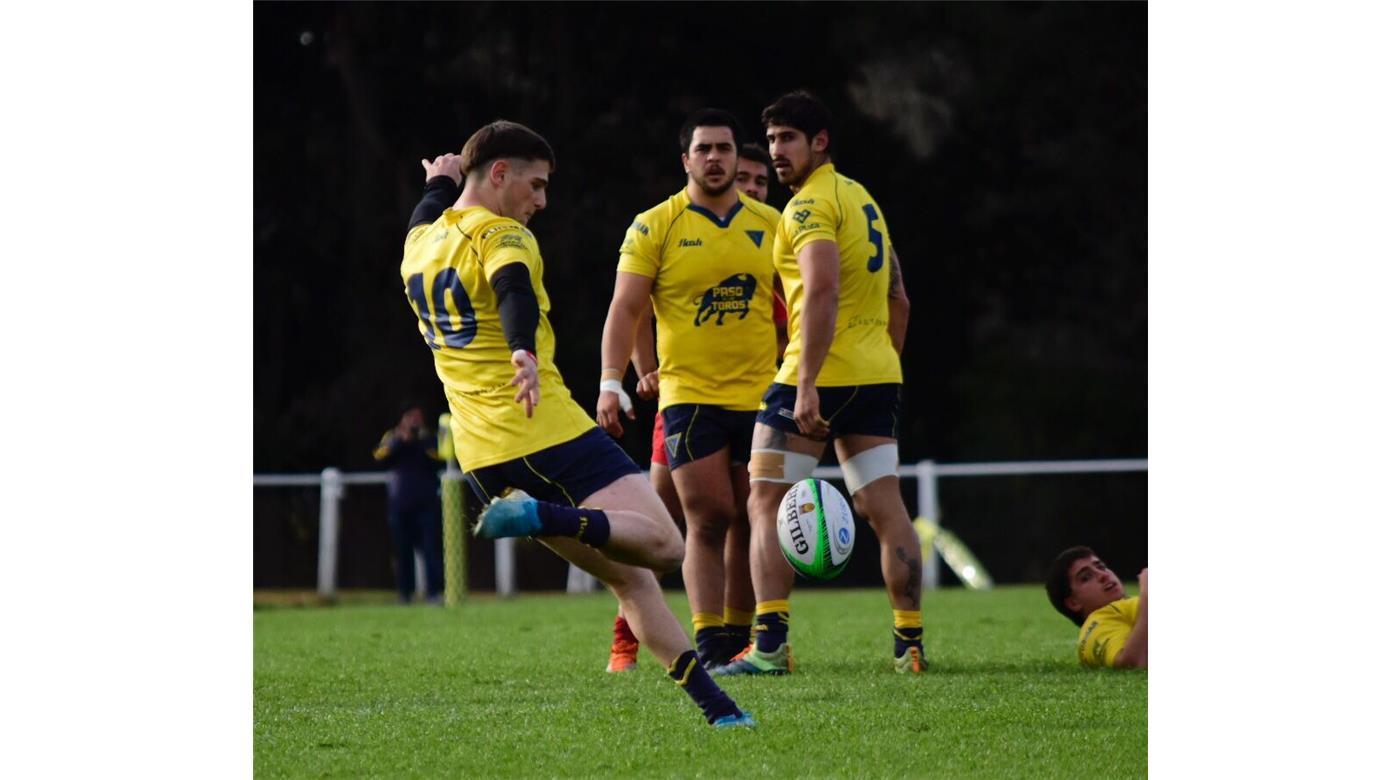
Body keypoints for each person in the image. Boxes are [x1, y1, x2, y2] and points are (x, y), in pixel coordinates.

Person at [401, 120, 753, 727]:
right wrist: (522, 351)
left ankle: (719, 711)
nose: (541, 201)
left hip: (483, 457)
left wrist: (439, 182)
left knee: (632, 581)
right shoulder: (503, 233)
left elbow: (426, 211)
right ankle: (545, 515)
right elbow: (512, 287)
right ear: (501, 174)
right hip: (545, 429)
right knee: (667, 543)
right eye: (535, 186)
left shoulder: (420, 243)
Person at [714, 91, 921, 677]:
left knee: (764, 501)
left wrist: (807, 384)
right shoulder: (864, 200)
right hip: (875, 377)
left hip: (815, 378)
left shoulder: (806, 207)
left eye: (787, 139)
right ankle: (910, 647)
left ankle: (770, 649)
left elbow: (822, 290)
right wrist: (879, 364)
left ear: (819, 142)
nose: (776, 152)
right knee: (885, 508)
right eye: (773, 139)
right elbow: (899, 298)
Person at [597, 108, 784, 671]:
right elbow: (626, 309)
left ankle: (744, 640)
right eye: (704, 148)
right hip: (689, 395)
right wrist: (614, 381)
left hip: (761, 396)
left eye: (724, 148)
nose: (716, 158)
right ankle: (709, 645)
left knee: (755, 517)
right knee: (706, 516)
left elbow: (798, 305)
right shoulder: (655, 225)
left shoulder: (773, 224)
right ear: (686, 159)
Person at [372, 404, 445, 603]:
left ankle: (434, 593)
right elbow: (379, 456)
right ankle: (404, 594)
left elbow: (441, 457)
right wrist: (399, 441)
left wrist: (420, 441)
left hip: (427, 502)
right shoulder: (392, 437)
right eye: (410, 417)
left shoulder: (429, 438)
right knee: (402, 550)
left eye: (417, 417)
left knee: (430, 550)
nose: (414, 422)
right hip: (400, 503)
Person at [1045, 547, 1148, 669]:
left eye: (1101, 567)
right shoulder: (1097, 623)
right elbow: (1131, 663)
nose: (1103, 575)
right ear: (1074, 603)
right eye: (1086, 577)